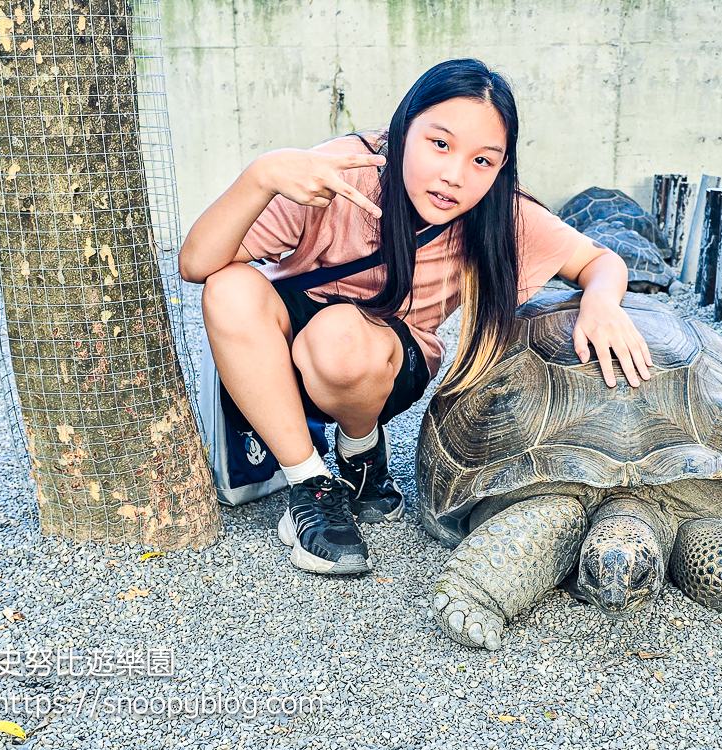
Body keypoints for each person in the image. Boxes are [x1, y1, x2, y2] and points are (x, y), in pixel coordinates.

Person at [179, 59, 654, 575]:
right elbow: (196, 264)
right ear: (404, 129)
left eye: (483, 160)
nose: (455, 175)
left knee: (340, 337)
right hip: (283, 353)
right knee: (228, 287)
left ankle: (360, 449)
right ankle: (311, 484)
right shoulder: (339, 174)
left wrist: (601, 303)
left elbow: (599, 261)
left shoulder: (501, 213)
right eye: (440, 144)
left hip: (379, 363)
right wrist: (261, 176)